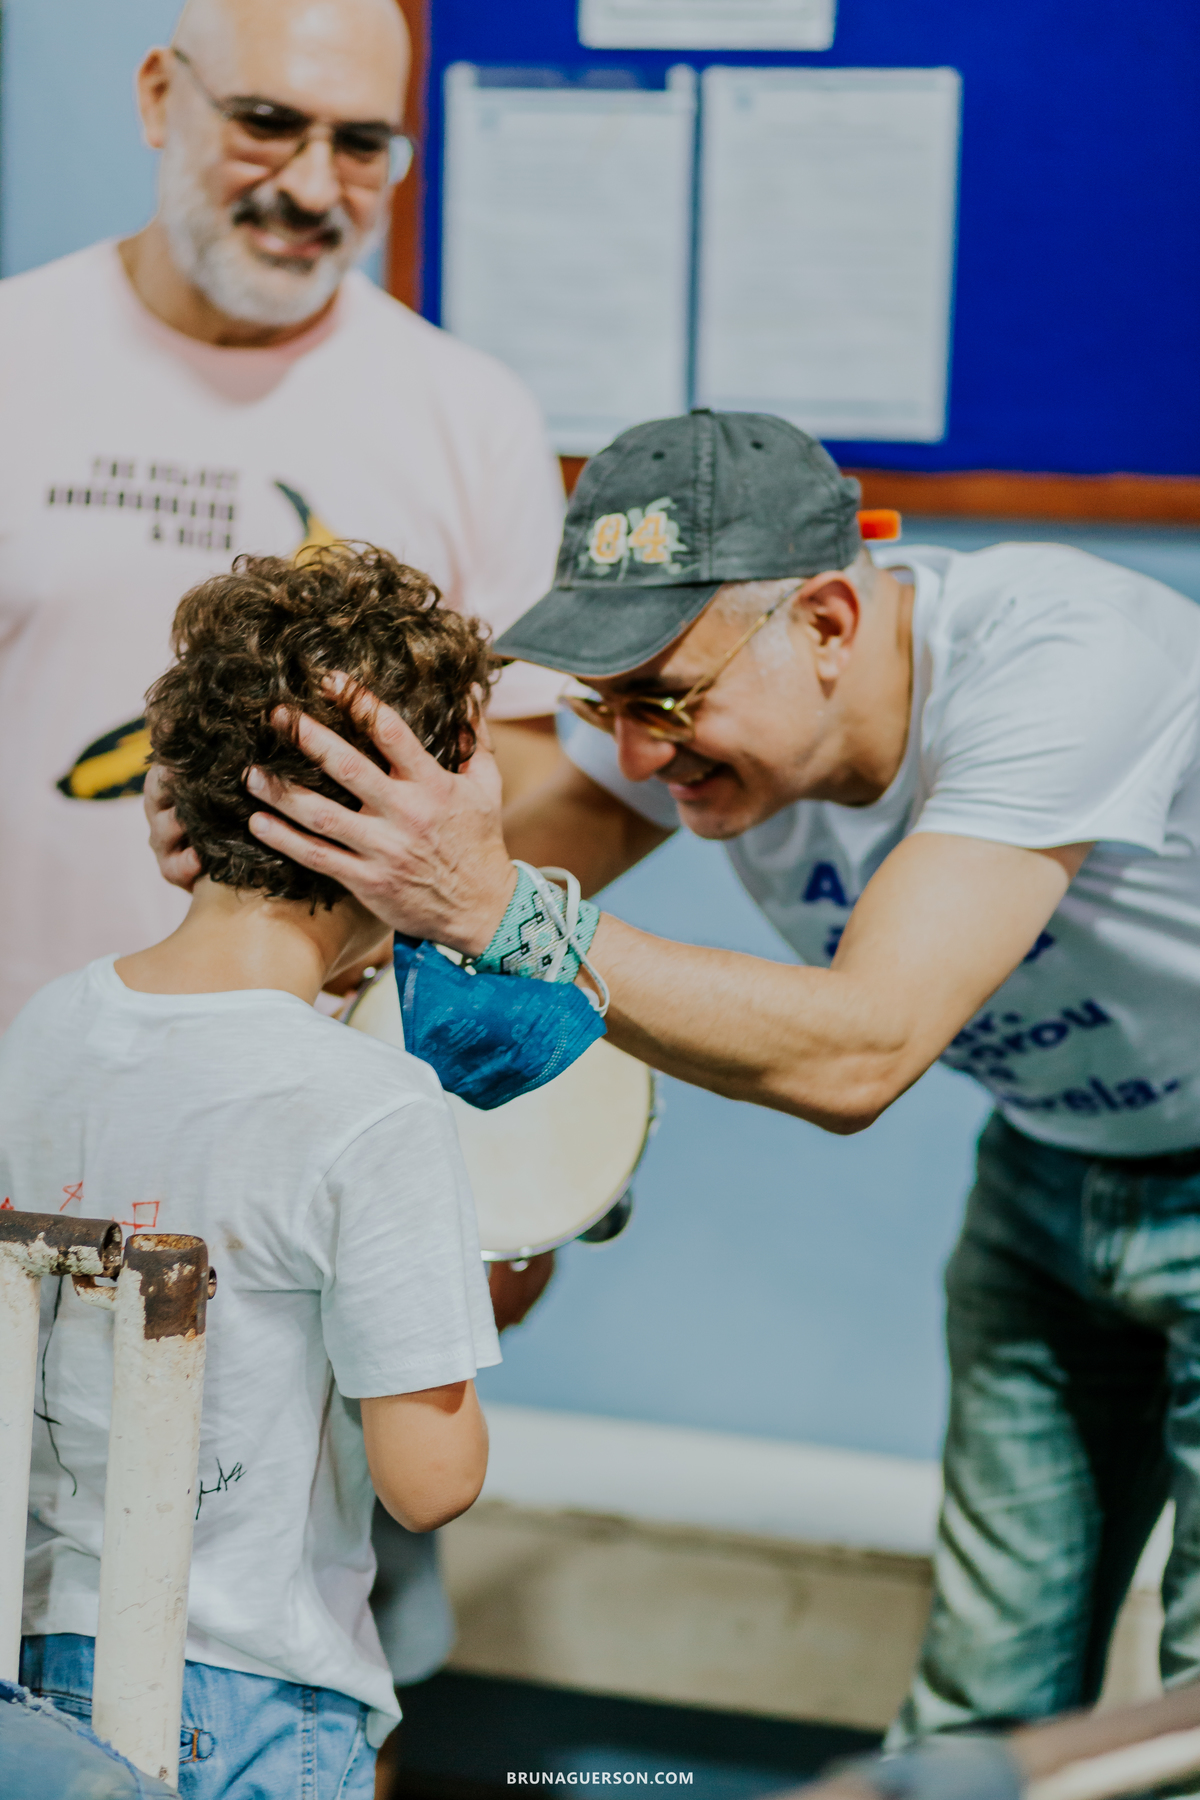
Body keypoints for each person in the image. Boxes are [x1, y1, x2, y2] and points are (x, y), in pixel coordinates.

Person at [155, 407, 1200, 1738]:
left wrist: (508, 914)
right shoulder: (702, 710)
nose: (639, 755)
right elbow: (426, 902)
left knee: (1189, 1718)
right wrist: (263, 845)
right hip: (1051, 1169)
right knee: (976, 1707)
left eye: (666, 699)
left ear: (827, 621)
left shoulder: (1064, 660)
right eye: (604, 702)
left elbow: (863, 1048)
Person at [3, 545, 500, 1798]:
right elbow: (431, 1483)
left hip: (32, 1661)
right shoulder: (373, 1106)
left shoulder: (48, 1024)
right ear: (403, 815)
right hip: (249, 1694)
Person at [0, 0, 565, 1035]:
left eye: (360, 145)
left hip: (315, 1080)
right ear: (161, 98)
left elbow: (532, 750)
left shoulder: (472, 414)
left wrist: (356, 888)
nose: (311, 188)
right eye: (266, 122)